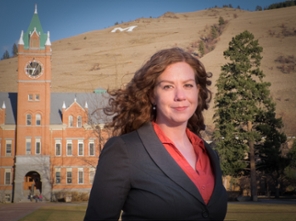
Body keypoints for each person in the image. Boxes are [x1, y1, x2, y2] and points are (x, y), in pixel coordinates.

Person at [84, 47, 227, 220]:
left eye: (188, 85)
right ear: (152, 95)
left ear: (198, 90)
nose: (180, 96)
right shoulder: (124, 151)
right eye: (168, 87)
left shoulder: (209, 154)